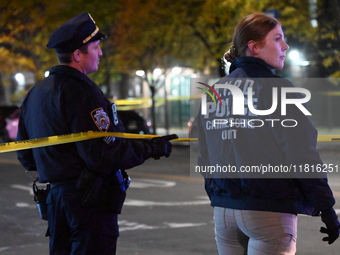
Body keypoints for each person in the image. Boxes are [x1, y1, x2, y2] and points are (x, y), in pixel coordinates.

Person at [16, 12, 177, 255]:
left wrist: (58, 166)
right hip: (88, 204)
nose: (100, 53)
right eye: (96, 47)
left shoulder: (36, 93)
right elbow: (103, 155)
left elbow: (26, 155)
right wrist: (151, 148)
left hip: (58, 202)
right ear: (78, 54)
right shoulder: (82, 92)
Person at [197, 13, 339, 255]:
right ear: (254, 47)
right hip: (268, 211)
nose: (285, 46)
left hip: (224, 212)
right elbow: (301, 155)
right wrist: (326, 207)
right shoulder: (277, 90)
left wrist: (220, 195)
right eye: (277, 39)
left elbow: (206, 156)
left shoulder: (215, 92)